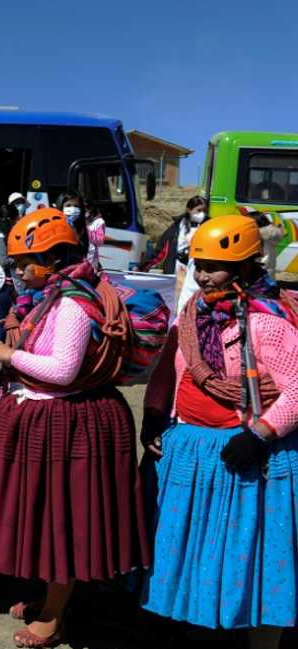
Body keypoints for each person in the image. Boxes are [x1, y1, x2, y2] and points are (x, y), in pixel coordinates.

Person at [0, 207, 150, 648]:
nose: (18, 272)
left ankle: (55, 615)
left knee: (64, 518)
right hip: (59, 419)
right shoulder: (53, 296)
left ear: (53, 258)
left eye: (24, 263)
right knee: (47, 513)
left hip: (71, 423)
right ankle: (50, 598)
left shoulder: (73, 302)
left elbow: (62, 370)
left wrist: (6, 356)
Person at [140, 215, 298, 648]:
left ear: (247, 267)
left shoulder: (266, 321)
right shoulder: (194, 315)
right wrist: (157, 413)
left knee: (255, 558)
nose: (205, 274)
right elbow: (172, 369)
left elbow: (297, 389)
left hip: (248, 457)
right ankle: (201, 625)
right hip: (194, 452)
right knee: (197, 549)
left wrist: (261, 433)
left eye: (216, 265)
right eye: (199, 264)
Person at [0, 203, 20, 333]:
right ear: (11, 219)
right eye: (17, 218)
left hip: (13, 286)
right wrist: (20, 260)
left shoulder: (9, 236)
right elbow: (4, 261)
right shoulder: (0, 238)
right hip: (3, 288)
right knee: (2, 321)